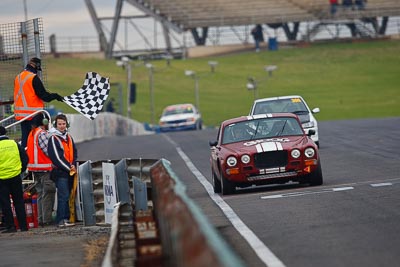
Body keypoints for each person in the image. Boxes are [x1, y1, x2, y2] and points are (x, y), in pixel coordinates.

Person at [14, 57, 64, 148]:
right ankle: (33, 159)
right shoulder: (33, 78)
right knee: (35, 139)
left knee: (25, 138)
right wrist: (55, 96)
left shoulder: (19, 76)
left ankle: (25, 159)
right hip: (33, 114)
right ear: (35, 66)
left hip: (21, 115)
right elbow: (44, 96)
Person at [47, 114, 77, 227]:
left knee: (68, 195)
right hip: (60, 172)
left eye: (63, 124)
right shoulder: (53, 138)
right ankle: (61, 219)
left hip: (69, 170)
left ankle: (66, 218)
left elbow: (74, 152)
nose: (62, 126)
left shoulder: (69, 137)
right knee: (63, 195)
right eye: (59, 124)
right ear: (56, 125)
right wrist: (69, 167)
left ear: (66, 124)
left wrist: (73, 164)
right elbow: (57, 158)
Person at [26, 113, 56, 226]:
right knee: (48, 193)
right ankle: (47, 220)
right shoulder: (41, 134)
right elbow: (49, 151)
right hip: (45, 169)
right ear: (44, 122)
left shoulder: (32, 133)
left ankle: (41, 219)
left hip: (35, 169)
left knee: (40, 194)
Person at [0, 126, 29, 233]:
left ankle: (11, 227)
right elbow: (25, 158)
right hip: (16, 177)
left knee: (5, 203)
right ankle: (23, 226)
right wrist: (21, 170)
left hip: (2, 179)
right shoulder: (14, 144)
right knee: (19, 202)